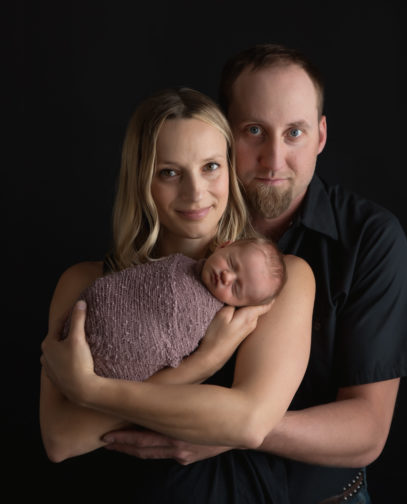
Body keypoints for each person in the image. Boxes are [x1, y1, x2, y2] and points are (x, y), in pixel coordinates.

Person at [102, 44, 407, 503]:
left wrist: (231, 429)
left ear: (320, 136)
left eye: (294, 132)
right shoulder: (185, 217)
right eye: (254, 131)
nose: (274, 159)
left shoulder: (369, 239)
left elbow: (367, 432)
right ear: (224, 133)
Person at [39, 86, 315, 503]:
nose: (195, 193)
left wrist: (91, 392)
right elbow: (61, 439)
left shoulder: (276, 281)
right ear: (141, 180)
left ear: (229, 169)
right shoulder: (84, 282)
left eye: (211, 167)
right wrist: (204, 362)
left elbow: (249, 421)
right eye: (169, 173)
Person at [62, 237, 287, 382]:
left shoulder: (212, 318)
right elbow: (133, 282)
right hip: (89, 316)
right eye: (231, 263)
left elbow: (177, 351)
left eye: (236, 288)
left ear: (239, 305)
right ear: (224, 245)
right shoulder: (178, 264)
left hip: (110, 369)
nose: (227, 277)